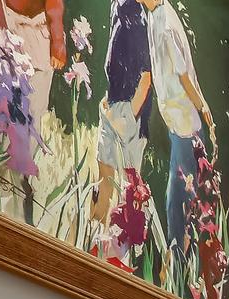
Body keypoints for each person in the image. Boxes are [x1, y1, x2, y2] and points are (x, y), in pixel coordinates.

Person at [138, 0, 218, 258]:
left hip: (187, 126)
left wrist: (204, 109)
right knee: (178, 201)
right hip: (178, 124)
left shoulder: (167, 25)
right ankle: (180, 261)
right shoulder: (153, 16)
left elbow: (185, 77)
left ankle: (184, 263)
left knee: (183, 203)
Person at [91, 0, 154, 252]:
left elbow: (147, 78)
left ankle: (117, 261)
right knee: (103, 184)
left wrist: (124, 118)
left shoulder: (140, 21)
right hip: (114, 105)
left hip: (130, 117)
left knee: (127, 195)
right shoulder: (119, 7)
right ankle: (93, 248)